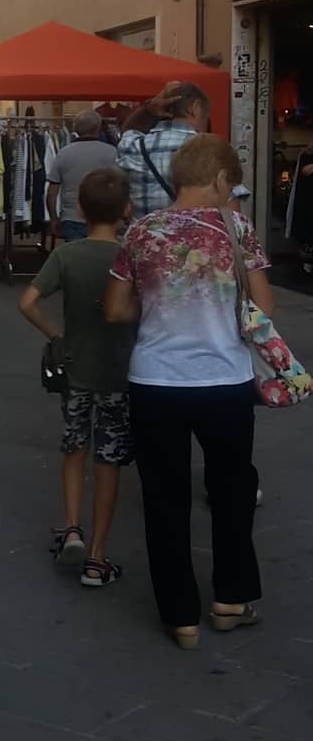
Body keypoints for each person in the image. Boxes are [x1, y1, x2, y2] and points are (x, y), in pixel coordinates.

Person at [105, 134, 271, 650]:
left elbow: (113, 309)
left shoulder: (140, 231)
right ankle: (230, 598)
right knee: (232, 489)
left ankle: (181, 618)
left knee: (164, 497)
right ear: (220, 179)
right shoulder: (237, 228)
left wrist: (158, 306)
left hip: (155, 381)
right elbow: (264, 310)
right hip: (224, 381)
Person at [19, 167, 137, 588]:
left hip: (77, 370)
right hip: (119, 374)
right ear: (126, 209)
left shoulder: (66, 255)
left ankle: (71, 526)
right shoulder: (130, 256)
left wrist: (57, 335)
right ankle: (98, 556)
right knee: (108, 461)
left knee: (73, 448)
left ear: (81, 209)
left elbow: (28, 302)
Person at [117, 82, 210, 220]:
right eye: (206, 115)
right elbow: (231, 211)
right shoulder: (211, 151)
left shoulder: (133, 146)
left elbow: (128, 130)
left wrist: (148, 110)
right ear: (195, 107)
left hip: (144, 239)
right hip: (194, 239)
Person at [47, 110, 118, 242]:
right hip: (103, 218)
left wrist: (53, 219)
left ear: (75, 128)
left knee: (76, 258)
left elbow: (52, 192)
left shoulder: (64, 153)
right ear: (98, 127)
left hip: (71, 217)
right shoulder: (112, 152)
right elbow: (120, 187)